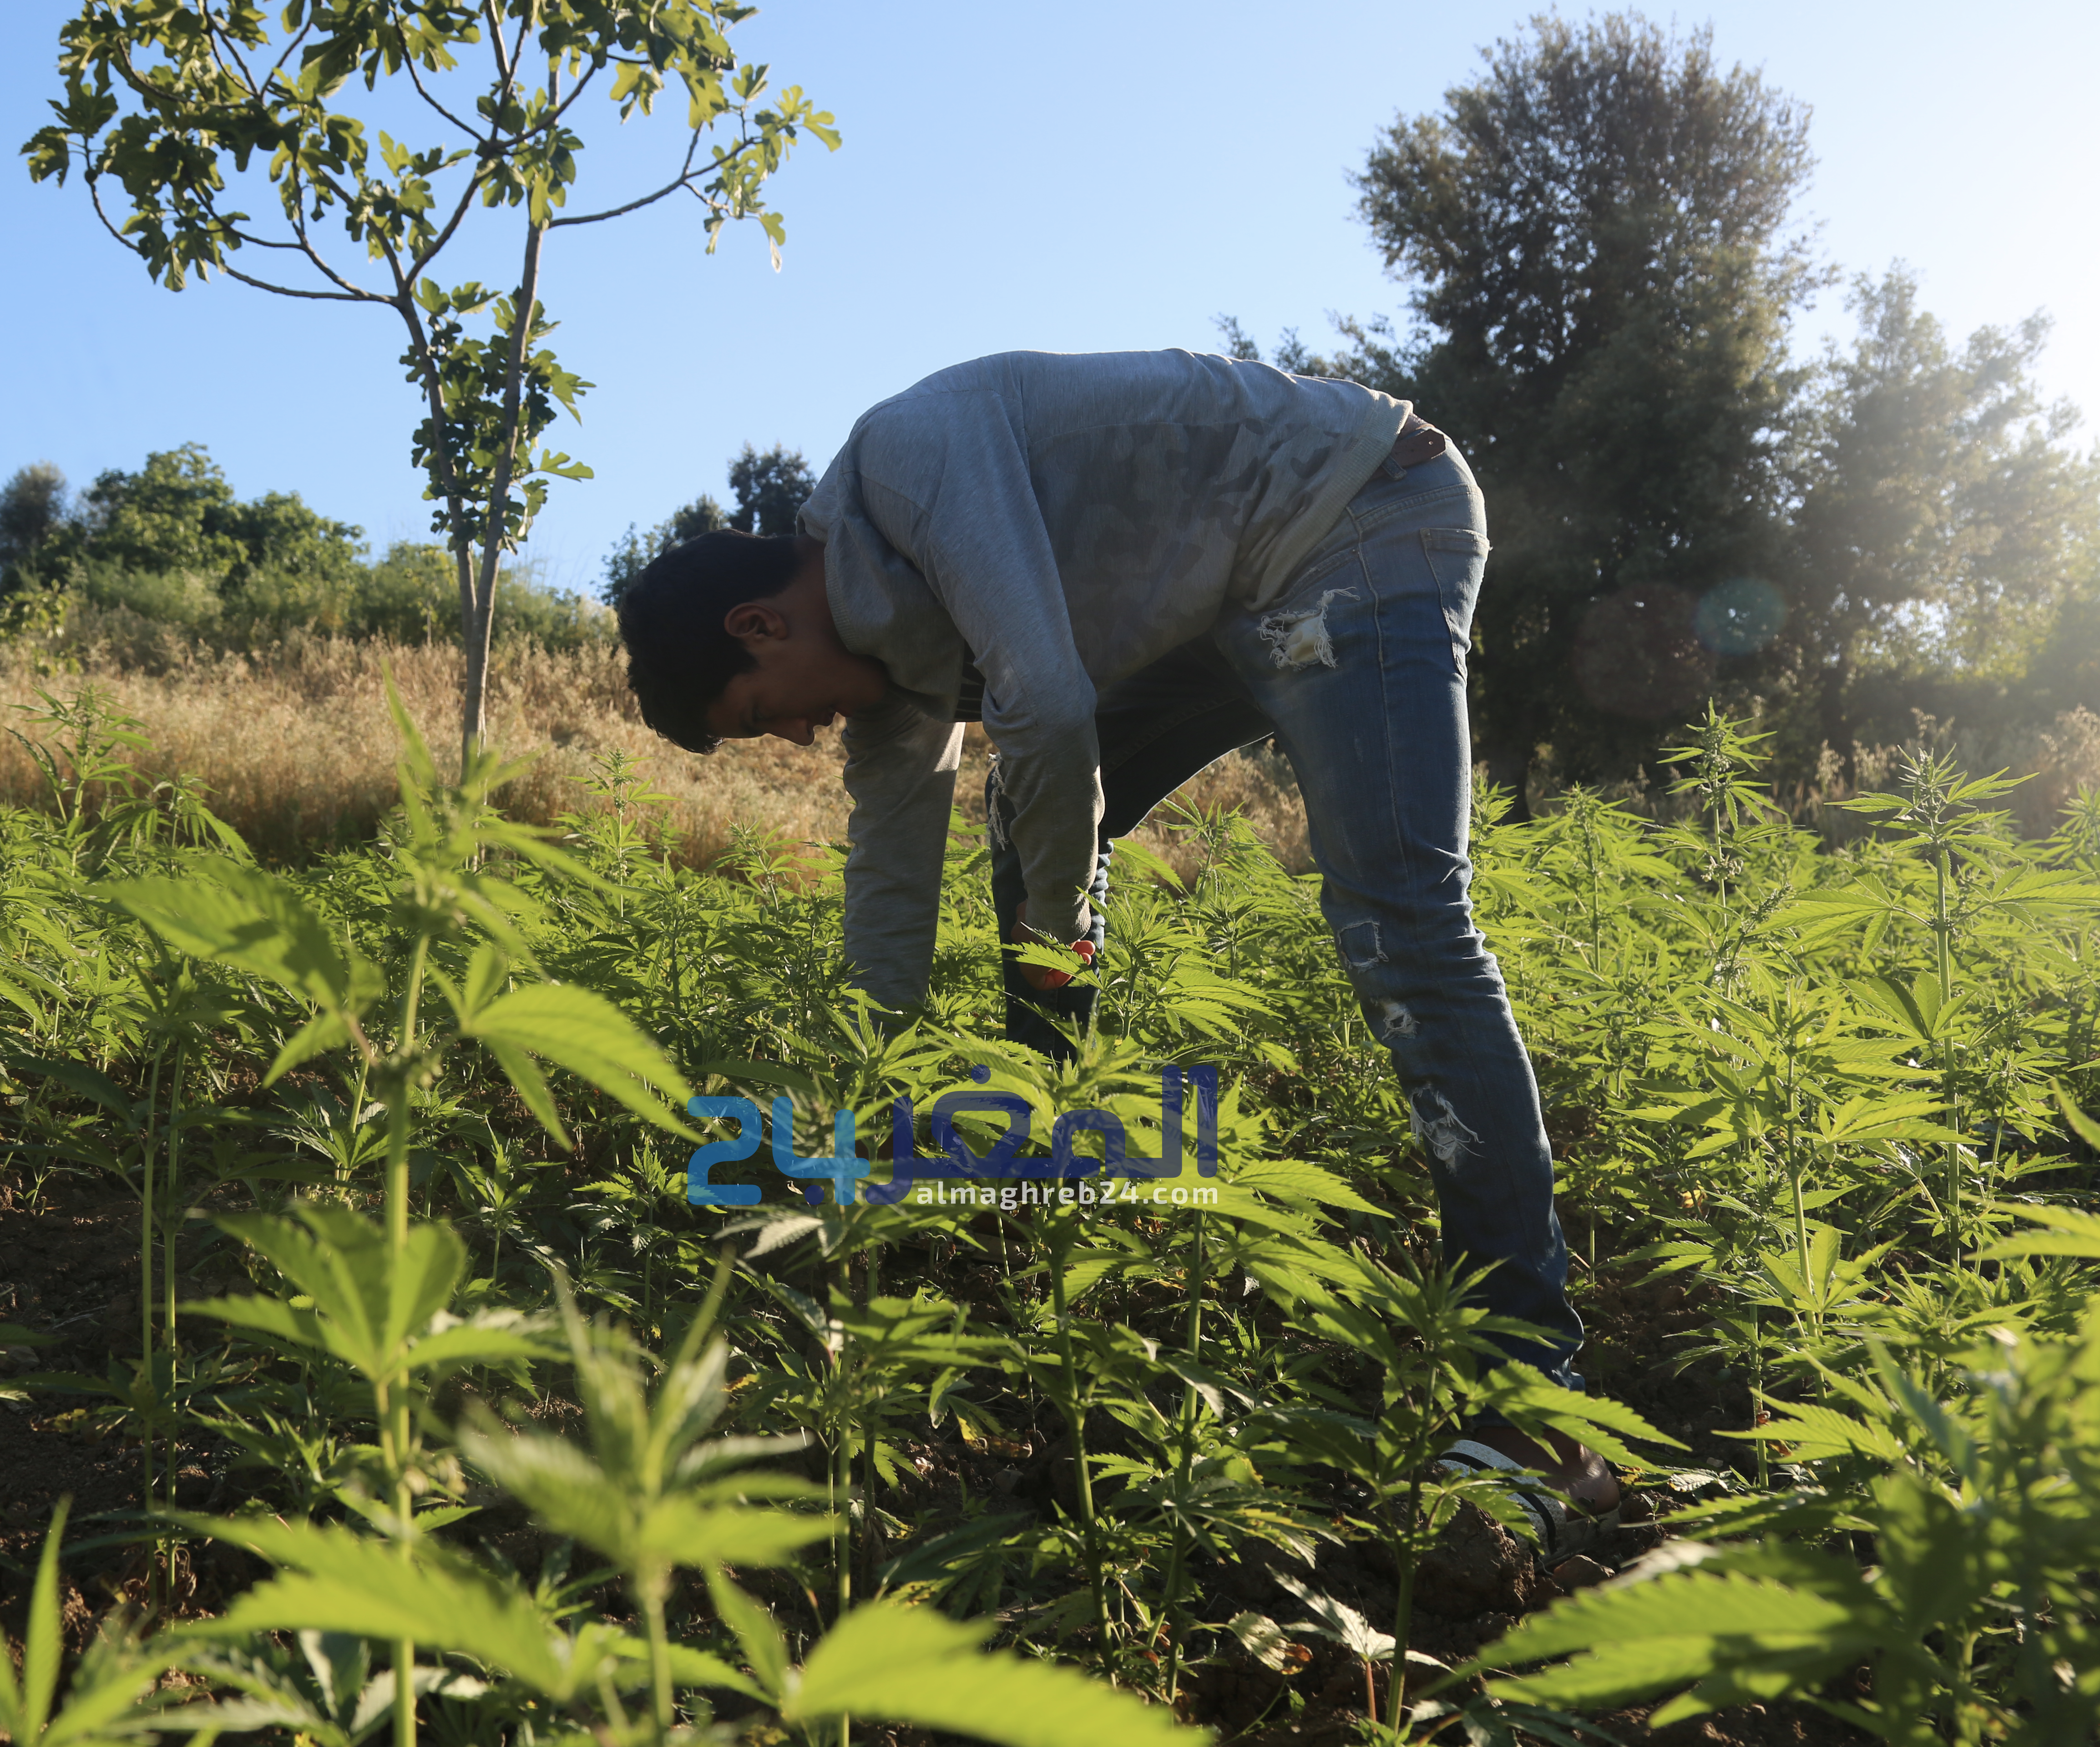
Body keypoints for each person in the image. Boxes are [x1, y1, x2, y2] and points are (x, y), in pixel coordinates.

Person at [615, 348, 1615, 1521]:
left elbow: (1048, 709)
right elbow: (889, 881)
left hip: (1357, 514)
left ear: (759, 624)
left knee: (1403, 925)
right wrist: (862, 1108)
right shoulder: (894, 659)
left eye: (761, 714)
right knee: (1023, 829)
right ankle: (1048, 1176)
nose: (794, 737)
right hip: (1223, 588)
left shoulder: (907, 462)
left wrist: (1059, 932)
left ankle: (1538, 1406)